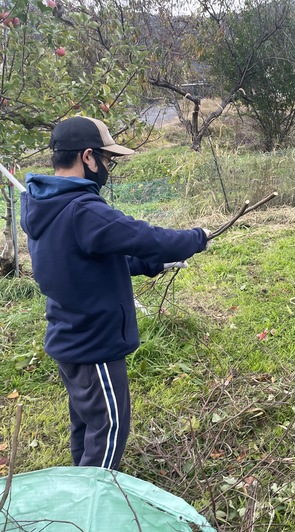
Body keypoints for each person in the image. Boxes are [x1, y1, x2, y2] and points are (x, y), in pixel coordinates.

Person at [20, 116, 212, 470]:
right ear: (88, 157)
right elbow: (144, 237)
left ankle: (79, 486)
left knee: (86, 424)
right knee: (110, 429)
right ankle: (94, 497)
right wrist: (195, 238)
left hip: (68, 336)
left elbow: (95, 258)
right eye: (107, 160)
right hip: (95, 345)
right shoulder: (83, 209)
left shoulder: (45, 205)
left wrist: (154, 264)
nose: (108, 168)